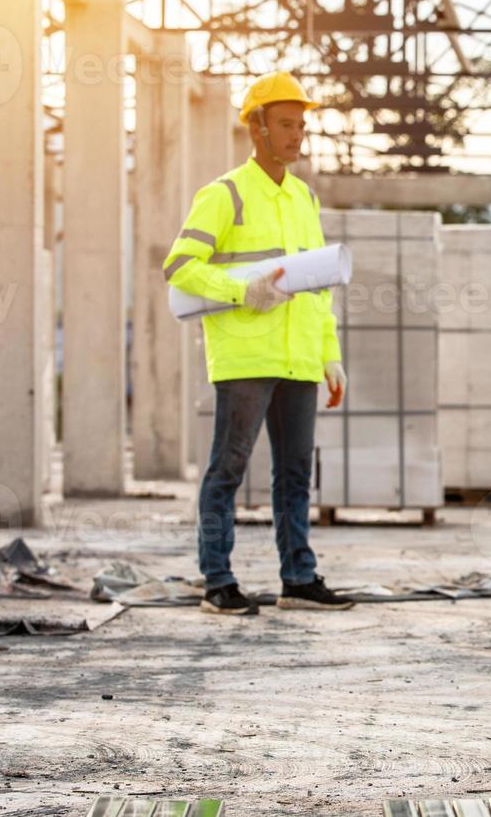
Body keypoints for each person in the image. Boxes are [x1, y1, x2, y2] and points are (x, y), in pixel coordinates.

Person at [162, 70, 351, 616]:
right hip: (245, 355)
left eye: (301, 126)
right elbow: (179, 266)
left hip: (297, 359)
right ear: (257, 129)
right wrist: (240, 290)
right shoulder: (225, 195)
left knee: (294, 475)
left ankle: (298, 578)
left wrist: (330, 357)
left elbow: (316, 287)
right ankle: (217, 580)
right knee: (228, 469)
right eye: (286, 125)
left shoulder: (304, 199)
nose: (297, 135)